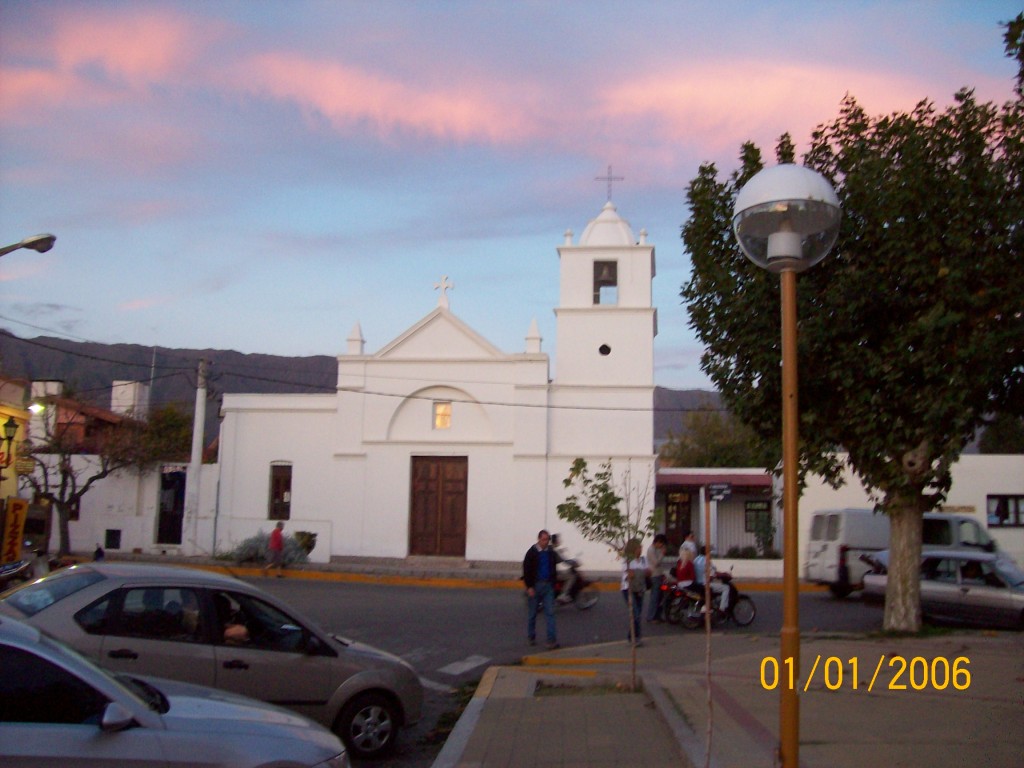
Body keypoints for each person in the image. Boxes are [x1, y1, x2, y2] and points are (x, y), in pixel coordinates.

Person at [522, 529, 560, 648]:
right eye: (543, 540)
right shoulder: (532, 553)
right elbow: (526, 570)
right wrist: (529, 587)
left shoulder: (550, 552)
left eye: (547, 540)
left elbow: (554, 567)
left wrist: (553, 583)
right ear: (539, 539)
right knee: (533, 613)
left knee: (550, 613)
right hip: (535, 585)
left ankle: (551, 640)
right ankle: (531, 636)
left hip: (548, 585)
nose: (545, 542)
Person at [621, 538, 649, 646]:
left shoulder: (643, 560)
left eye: (641, 548)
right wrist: (640, 573)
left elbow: (648, 572)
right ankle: (635, 637)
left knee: (638, 614)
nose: (641, 550)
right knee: (635, 613)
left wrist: (638, 573)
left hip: (640, 588)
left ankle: (632, 635)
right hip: (628, 589)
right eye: (639, 548)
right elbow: (629, 574)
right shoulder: (627, 560)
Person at [646, 534, 669, 622]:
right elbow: (656, 562)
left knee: (660, 597)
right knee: (654, 597)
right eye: (661, 544)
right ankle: (651, 616)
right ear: (657, 542)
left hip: (659, 574)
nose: (661, 546)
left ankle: (657, 615)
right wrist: (662, 554)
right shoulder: (651, 550)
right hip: (654, 575)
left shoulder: (657, 549)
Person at [551, 533, 577, 604]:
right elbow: (562, 560)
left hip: (550, 572)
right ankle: (563, 595)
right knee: (571, 577)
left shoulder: (550, 548)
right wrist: (572, 562)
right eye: (558, 540)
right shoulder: (553, 551)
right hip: (552, 574)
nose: (560, 541)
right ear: (556, 541)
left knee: (564, 573)